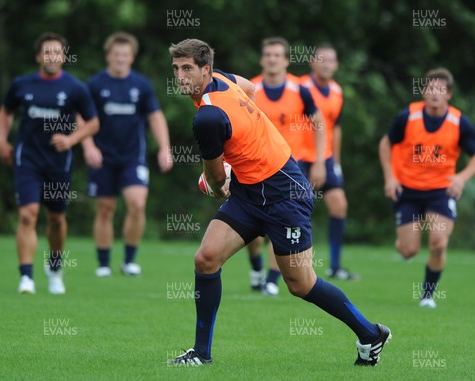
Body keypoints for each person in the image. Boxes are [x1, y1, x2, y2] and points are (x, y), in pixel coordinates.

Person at [167, 38, 390, 366]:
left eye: (187, 69)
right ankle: (201, 354)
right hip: (249, 192)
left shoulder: (208, 118)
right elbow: (251, 91)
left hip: (285, 192)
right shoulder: (224, 80)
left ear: (205, 69)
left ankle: (371, 334)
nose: (180, 76)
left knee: (301, 284)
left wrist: (217, 184)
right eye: (175, 69)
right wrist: (242, 158)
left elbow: (215, 181)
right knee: (206, 258)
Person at [0, 32, 98, 295]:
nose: (51, 56)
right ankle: (26, 277)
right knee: (27, 215)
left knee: (56, 218)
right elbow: (6, 112)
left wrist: (71, 139)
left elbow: (94, 123)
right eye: (46, 52)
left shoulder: (76, 88)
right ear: (38, 56)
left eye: (56, 52)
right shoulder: (21, 84)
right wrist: (1, 139)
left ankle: (54, 270)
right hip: (27, 160)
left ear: (63, 56)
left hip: (57, 164)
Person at [379, 68, 475, 308]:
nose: (434, 94)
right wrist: (390, 177)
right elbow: (386, 144)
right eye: (430, 89)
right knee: (408, 251)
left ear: (449, 94)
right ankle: (403, 244)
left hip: (440, 191)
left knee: (439, 243)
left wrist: (461, 178)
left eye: (440, 90)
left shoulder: (459, 122)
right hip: (408, 190)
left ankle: (427, 295)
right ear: (423, 91)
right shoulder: (408, 116)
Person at [82, 32, 172, 277]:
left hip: (133, 157)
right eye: (116, 54)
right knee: (105, 208)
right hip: (103, 157)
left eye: (125, 55)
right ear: (108, 56)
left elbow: (155, 116)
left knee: (137, 204)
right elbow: (82, 117)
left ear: (132, 57)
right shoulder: (95, 84)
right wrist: (88, 146)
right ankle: (103, 263)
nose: (120, 58)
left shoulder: (141, 86)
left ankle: (129, 261)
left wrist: (165, 147)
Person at [247, 36, 326, 296]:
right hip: (255, 167)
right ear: (262, 59)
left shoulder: (300, 89)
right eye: (268, 54)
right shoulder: (250, 89)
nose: (272, 59)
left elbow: (319, 123)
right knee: (254, 233)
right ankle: (256, 267)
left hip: (293, 167)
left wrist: (319, 160)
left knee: (281, 221)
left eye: (277, 55)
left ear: (286, 60)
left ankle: (271, 278)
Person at [299, 43, 356, 280]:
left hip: (326, 157)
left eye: (331, 60)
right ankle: (287, 266)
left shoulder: (337, 91)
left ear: (337, 65)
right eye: (322, 59)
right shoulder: (300, 86)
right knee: (293, 208)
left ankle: (334, 266)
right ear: (312, 62)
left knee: (339, 205)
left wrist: (336, 163)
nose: (326, 64)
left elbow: (336, 128)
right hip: (299, 156)